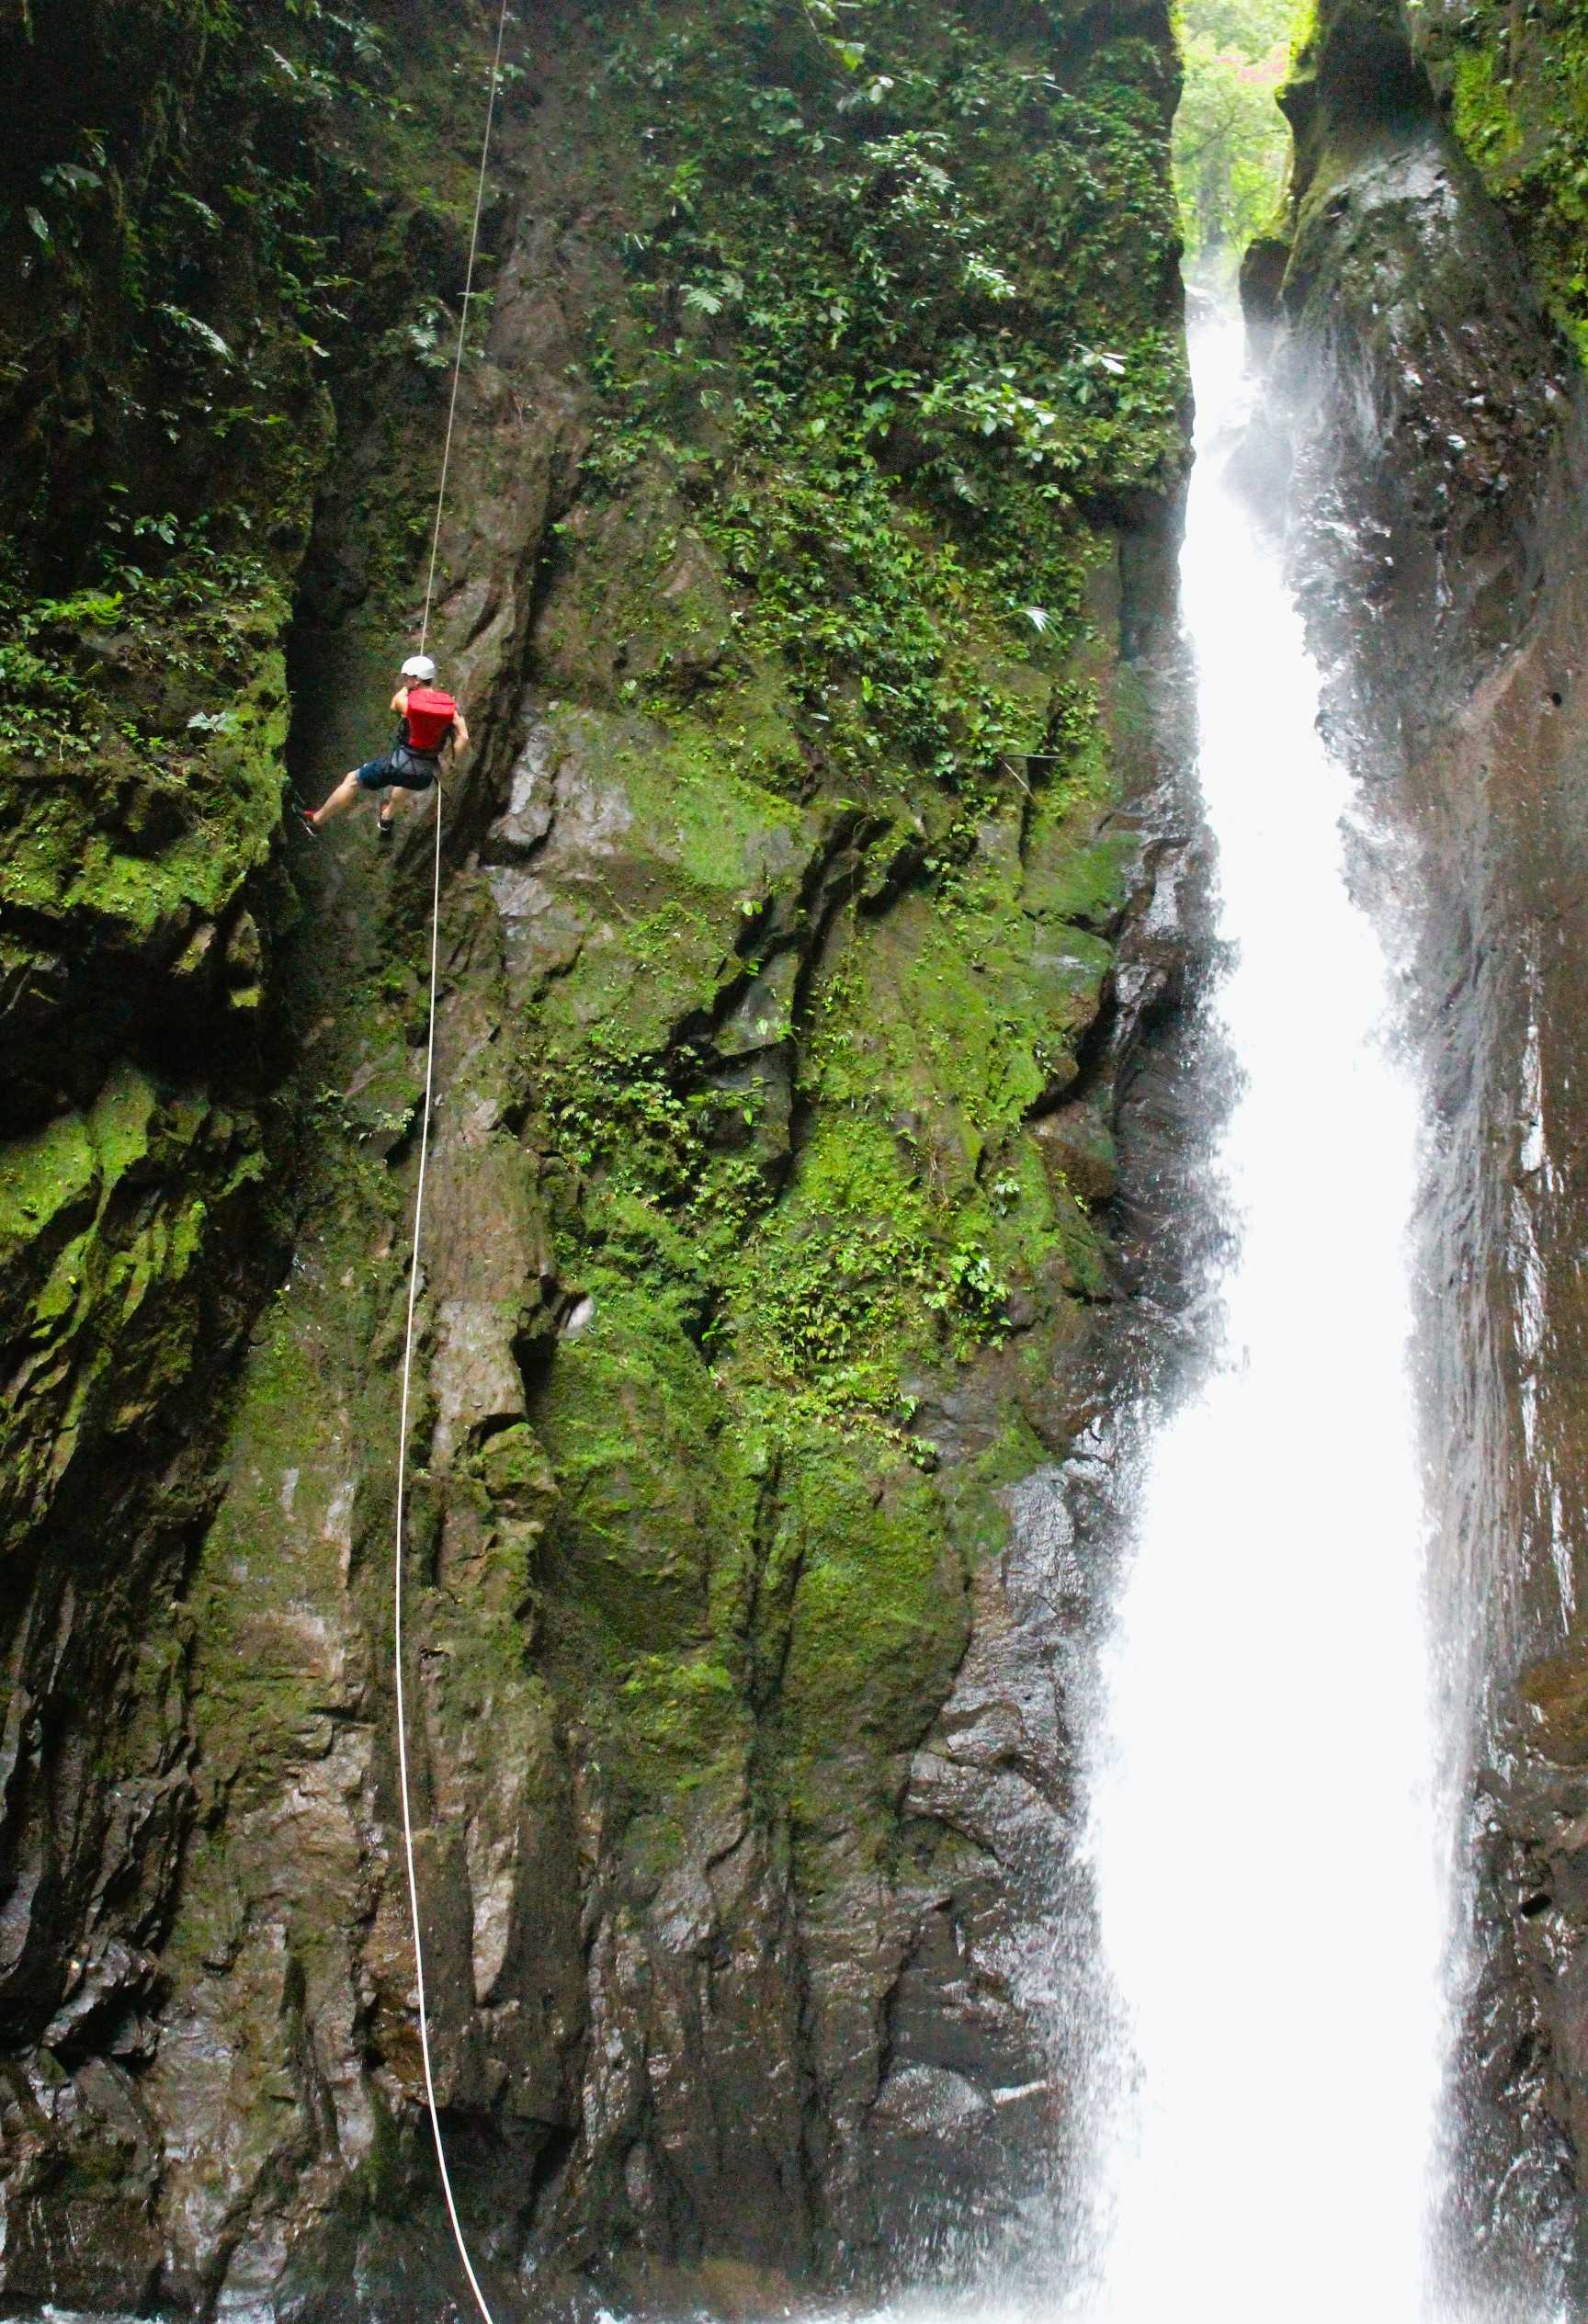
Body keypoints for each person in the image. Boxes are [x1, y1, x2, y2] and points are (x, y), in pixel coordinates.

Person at [300, 654, 470, 839]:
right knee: (406, 783)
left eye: (407, 677)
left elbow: (394, 704)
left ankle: (316, 822)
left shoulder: (408, 703)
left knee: (353, 780)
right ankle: (387, 818)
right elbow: (463, 737)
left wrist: (408, 688)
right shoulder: (450, 709)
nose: (405, 680)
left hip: (399, 765)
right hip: (424, 774)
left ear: (417, 680)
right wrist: (452, 763)